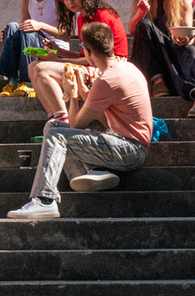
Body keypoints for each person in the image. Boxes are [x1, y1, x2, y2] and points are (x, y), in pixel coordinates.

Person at [8, 21, 153, 218]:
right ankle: (89, 174)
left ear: (87, 51)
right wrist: (84, 91)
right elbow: (105, 117)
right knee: (54, 125)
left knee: (57, 135)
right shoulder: (127, 68)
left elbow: (76, 124)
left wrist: (72, 95)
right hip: (125, 143)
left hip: (129, 150)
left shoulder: (106, 80)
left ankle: (44, 200)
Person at [0, 0, 63, 94]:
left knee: (28, 28)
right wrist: (10, 37)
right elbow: (24, 36)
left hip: (54, 51)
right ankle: (12, 81)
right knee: (12, 27)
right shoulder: (27, 1)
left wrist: (41, 26)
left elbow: (67, 35)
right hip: (33, 51)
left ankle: (28, 81)